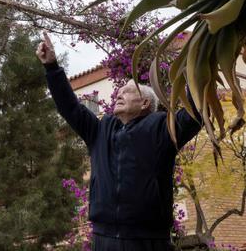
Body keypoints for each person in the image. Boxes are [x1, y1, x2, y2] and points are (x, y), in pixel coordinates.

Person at [36, 31, 203, 251]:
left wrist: (199, 59)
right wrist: (52, 67)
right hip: (103, 239)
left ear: (145, 103)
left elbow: (195, 111)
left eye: (127, 91)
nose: (119, 94)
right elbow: (70, 107)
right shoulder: (100, 130)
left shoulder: (162, 128)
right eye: (119, 91)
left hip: (148, 241)